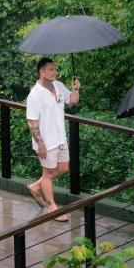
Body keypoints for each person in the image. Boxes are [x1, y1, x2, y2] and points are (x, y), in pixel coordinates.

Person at [25, 58, 79, 221]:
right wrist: (40, 144)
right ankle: (52, 207)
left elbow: (73, 101)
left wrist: (75, 89)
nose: (55, 72)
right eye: (51, 70)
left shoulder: (58, 86)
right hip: (46, 142)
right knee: (48, 173)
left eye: (55, 69)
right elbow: (32, 122)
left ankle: (35, 186)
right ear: (41, 72)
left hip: (61, 138)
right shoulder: (35, 95)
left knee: (63, 168)